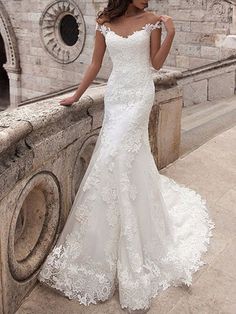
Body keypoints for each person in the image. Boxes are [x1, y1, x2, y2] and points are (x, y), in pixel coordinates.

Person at [38, 1, 215, 313]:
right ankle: (99, 248)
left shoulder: (152, 21)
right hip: (117, 95)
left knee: (115, 157)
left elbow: (156, 64)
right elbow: (94, 64)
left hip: (140, 96)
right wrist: (76, 96)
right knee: (114, 159)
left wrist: (170, 33)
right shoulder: (103, 21)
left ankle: (131, 244)